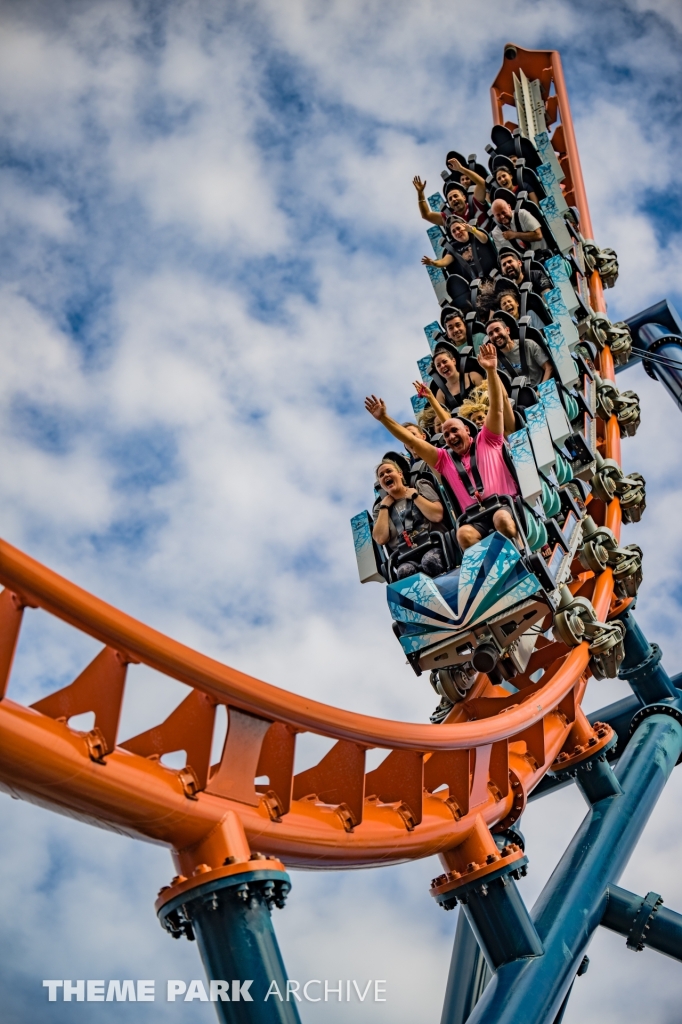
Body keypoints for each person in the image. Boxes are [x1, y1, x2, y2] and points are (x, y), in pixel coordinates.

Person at [365, 343, 519, 551]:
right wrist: (384, 419)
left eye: (455, 431)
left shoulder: (488, 439)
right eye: (445, 435)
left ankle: (519, 552)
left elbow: (498, 410)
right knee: (463, 534)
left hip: (505, 506)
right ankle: (493, 570)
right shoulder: (444, 460)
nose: (450, 436)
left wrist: (491, 370)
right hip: (475, 518)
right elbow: (412, 442)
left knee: (501, 519)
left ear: (467, 430)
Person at [372, 460, 445, 579]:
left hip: (433, 545)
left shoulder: (419, 486)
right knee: (404, 572)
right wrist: (384, 507)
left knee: (430, 561)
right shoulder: (379, 509)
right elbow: (380, 539)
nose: (385, 475)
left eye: (389, 471)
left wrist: (415, 496)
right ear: (381, 484)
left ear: (400, 474)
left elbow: (436, 516)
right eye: (381, 475)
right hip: (406, 557)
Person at [486, 312, 552, 386]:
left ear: (507, 330)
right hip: (517, 395)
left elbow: (548, 367)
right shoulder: (495, 360)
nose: (495, 335)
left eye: (497, 330)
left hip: (540, 388)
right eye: (491, 334)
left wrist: (540, 391)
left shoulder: (528, 344)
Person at [422, 217, 494, 282]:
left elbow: (485, 240)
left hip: (493, 274)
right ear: (452, 236)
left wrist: (473, 230)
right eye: (453, 231)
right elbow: (444, 261)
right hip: (474, 283)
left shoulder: (475, 234)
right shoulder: (454, 247)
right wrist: (434, 263)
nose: (457, 232)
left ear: (465, 226)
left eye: (458, 228)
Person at [429, 339, 483, 411]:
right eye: (438, 365)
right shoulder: (440, 393)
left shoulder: (473, 376)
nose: (442, 366)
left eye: (444, 361)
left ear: (453, 361)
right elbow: (442, 417)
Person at [444, 154, 491, 228]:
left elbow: (482, 184)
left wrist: (461, 169)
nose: (465, 181)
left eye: (467, 179)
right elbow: (427, 215)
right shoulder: (454, 214)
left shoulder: (476, 199)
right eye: (462, 179)